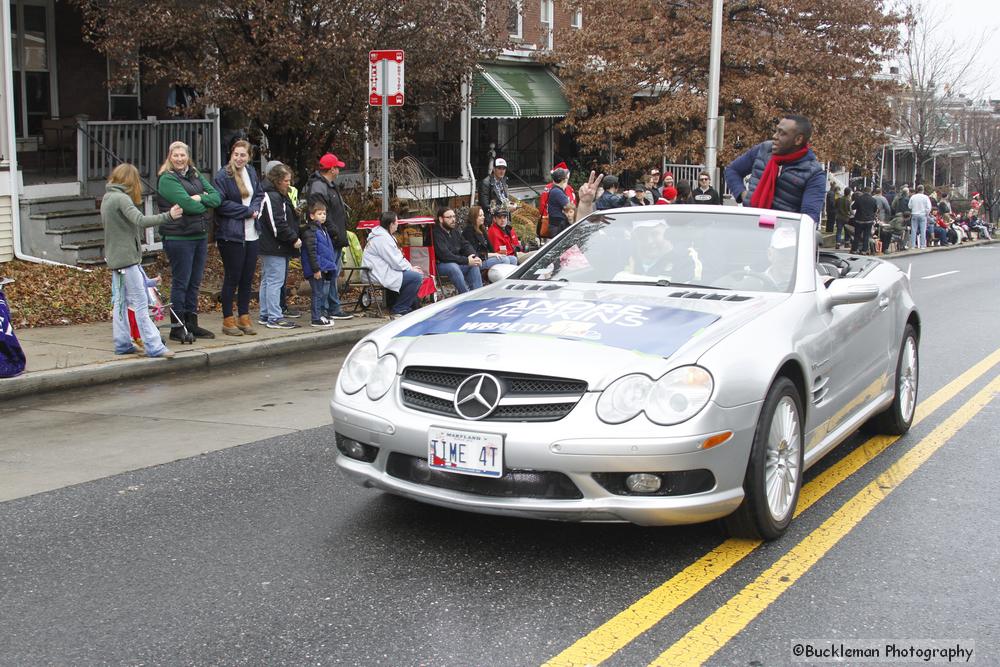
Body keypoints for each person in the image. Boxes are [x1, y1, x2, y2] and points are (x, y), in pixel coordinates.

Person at [103, 163, 183, 358]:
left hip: (115, 260)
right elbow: (141, 220)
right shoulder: (122, 199)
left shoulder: (107, 197)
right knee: (140, 304)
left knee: (120, 304)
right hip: (128, 260)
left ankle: (122, 343)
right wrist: (169, 216)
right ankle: (155, 346)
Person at [156, 140, 222, 341]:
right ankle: (177, 327)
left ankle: (192, 323)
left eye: (182, 155)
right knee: (181, 282)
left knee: (194, 282)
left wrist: (200, 198)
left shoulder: (194, 173)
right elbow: (187, 205)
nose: (179, 159)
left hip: (199, 235)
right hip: (179, 237)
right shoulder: (167, 179)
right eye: (175, 155)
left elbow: (217, 198)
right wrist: (200, 200)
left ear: (187, 156)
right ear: (170, 157)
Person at [724, 114, 825, 225]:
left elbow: (809, 219)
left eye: (782, 133)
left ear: (798, 139)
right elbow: (732, 170)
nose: (775, 136)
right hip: (750, 227)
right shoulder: (764, 150)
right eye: (776, 131)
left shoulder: (813, 173)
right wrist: (743, 194)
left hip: (783, 237)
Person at [213, 139, 265, 336]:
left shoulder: (251, 172)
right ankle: (228, 319)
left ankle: (244, 316)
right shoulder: (223, 175)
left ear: (249, 157)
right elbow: (221, 204)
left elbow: (259, 194)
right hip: (231, 234)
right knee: (232, 276)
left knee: (247, 277)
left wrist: (255, 209)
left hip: (252, 233)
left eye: (243, 155)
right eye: (236, 154)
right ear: (231, 155)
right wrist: (246, 211)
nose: (239, 158)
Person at [305, 153, 353, 320]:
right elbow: (323, 215)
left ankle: (333, 306)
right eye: (337, 167)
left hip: (332, 236)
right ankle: (325, 309)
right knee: (327, 275)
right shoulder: (320, 187)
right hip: (328, 238)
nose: (339, 170)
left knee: (332, 274)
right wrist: (334, 234)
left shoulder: (327, 185)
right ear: (332, 169)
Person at [257, 164, 305, 328]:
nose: (288, 184)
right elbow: (277, 224)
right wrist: (293, 238)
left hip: (273, 245)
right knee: (274, 281)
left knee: (268, 280)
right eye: (285, 181)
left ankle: (266, 314)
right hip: (274, 246)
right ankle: (274, 317)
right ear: (277, 180)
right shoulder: (272, 196)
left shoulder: (275, 194)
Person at [363, 211, 425, 319]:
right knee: (416, 277)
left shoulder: (384, 236)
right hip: (377, 273)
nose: (398, 224)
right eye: (396, 222)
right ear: (391, 224)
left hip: (380, 271)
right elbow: (395, 261)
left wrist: (410, 268)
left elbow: (397, 258)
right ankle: (400, 308)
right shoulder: (383, 239)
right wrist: (411, 269)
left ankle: (411, 306)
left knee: (413, 274)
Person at [300, 201, 339, 328]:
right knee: (317, 292)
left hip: (323, 267)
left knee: (321, 292)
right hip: (315, 268)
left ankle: (320, 314)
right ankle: (315, 318)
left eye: (324, 213)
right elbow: (312, 252)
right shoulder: (310, 231)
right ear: (312, 216)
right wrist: (316, 269)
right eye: (319, 213)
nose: (323, 216)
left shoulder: (323, 229)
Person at [432, 206, 483, 293]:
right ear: (441, 219)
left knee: (474, 264)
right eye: (449, 217)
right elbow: (445, 256)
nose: (453, 220)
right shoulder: (436, 233)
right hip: (440, 264)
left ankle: (477, 294)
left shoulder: (454, 231)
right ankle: (465, 295)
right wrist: (466, 260)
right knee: (453, 267)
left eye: (454, 216)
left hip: (456, 261)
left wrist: (473, 256)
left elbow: (465, 245)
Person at [546, 167, 574, 236]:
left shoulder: (555, 190)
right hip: (558, 226)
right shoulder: (558, 192)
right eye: (565, 178)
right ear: (563, 180)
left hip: (555, 225)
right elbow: (569, 207)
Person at [851, 186, 878, 254]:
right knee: (866, 236)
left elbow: (853, 207)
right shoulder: (873, 200)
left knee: (857, 235)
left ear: (863, 191)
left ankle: (854, 249)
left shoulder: (859, 198)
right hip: (869, 221)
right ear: (870, 191)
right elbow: (875, 210)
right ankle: (864, 250)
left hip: (859, 220)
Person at [908, 184, 932, 249]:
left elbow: (909, 206)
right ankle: (922, 245)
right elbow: (929, 207)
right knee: (923, 230)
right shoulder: (925, 197)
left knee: (913, 230)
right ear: (923, 190)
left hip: (914, 214)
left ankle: (913, 245)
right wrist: (926, 213)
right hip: (922, 214)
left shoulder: (913, 197)